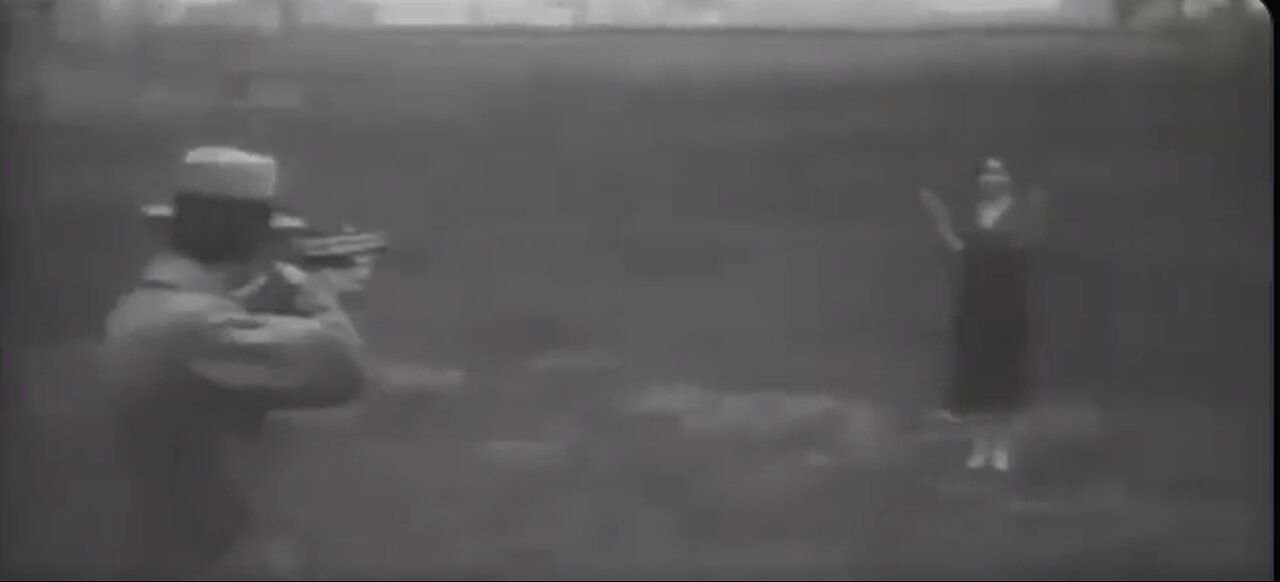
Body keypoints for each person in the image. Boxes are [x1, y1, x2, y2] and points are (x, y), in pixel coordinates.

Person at [100, 146, 371, 579]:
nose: (268, 244)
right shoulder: (192, 324)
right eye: (262, 230)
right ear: (242, 231)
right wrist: (313, 291)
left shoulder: (152, 309)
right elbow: (341, 369)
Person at [919, 157, 1047, 473]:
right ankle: (980, 444)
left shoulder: (1021, 210)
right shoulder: (973, 213)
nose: (991, 179)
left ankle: (1001, 445)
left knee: (1003, 374)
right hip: (975, 301)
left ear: (1009, 178)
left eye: (998, 172)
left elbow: (1025, 243)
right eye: (987, 173)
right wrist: (941, 220)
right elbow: (959, 247)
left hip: (1007, 301)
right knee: (976, 372)